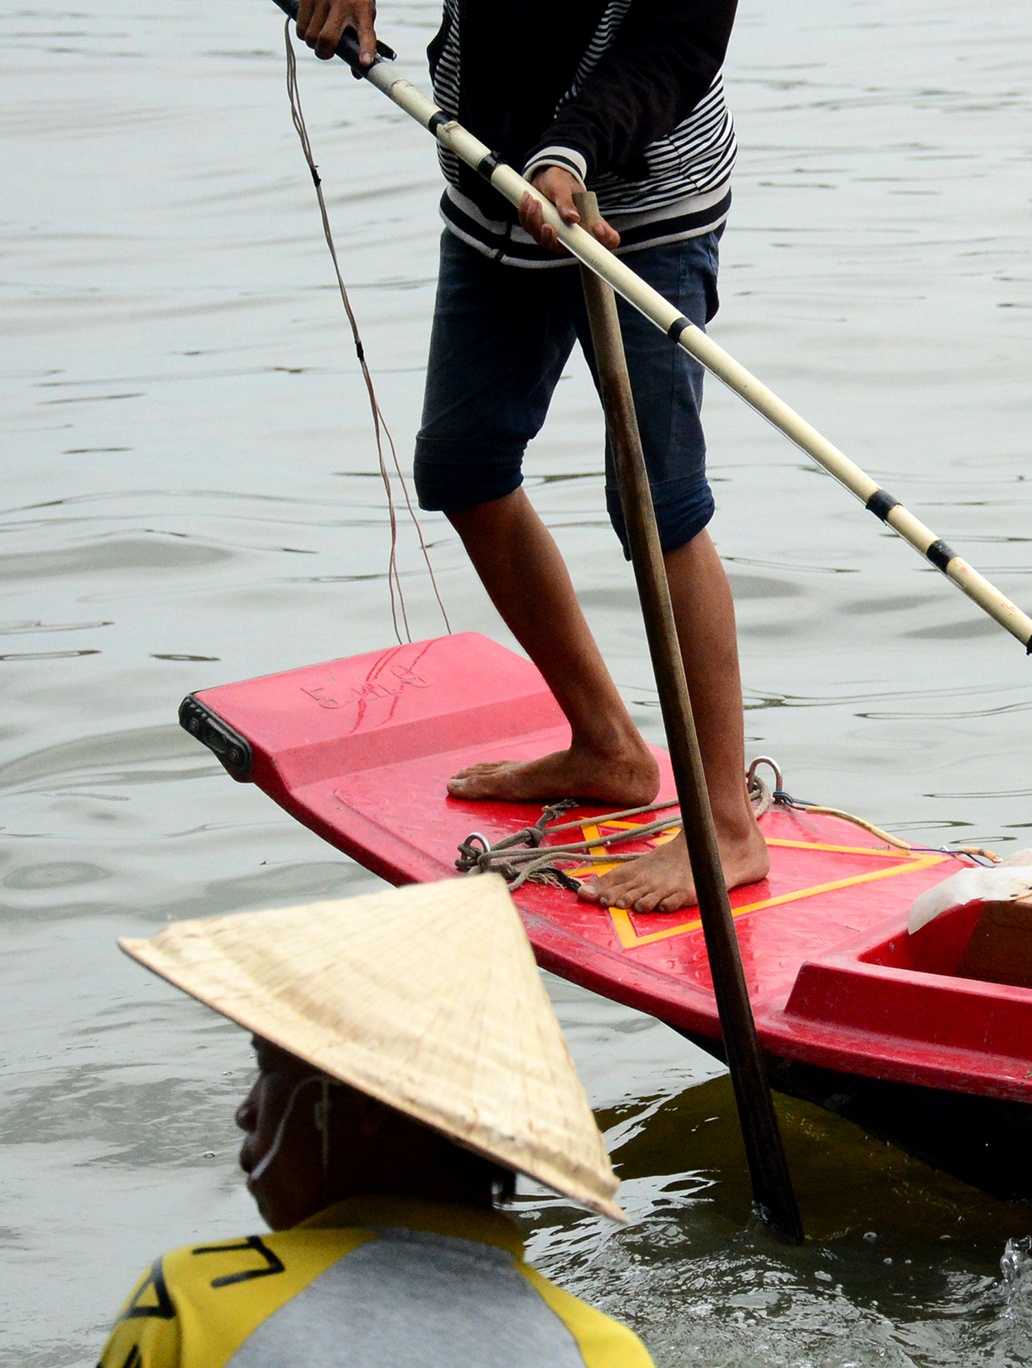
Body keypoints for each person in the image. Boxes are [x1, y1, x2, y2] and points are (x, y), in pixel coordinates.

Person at [293, 0, 767, 915]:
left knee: (655, 504)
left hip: (641, 207)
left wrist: (568, 155)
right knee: (463, 466)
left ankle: (724, 824)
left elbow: (672, 44)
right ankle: (608, 749)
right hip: (491, 189)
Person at [98, 877, 651, 1368]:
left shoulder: (200, 1299)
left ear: (368, 1106)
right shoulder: (603, 1350)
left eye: (268, 1071)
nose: (245, 1110)